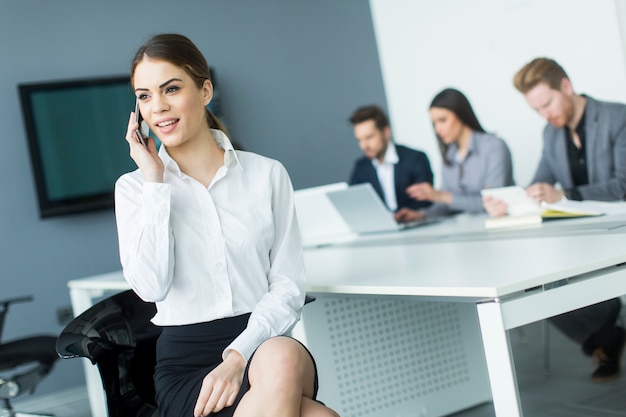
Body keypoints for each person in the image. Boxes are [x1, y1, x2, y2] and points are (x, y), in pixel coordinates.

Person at [114, 33, 340, 417]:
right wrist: (154, 182)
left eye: (171, 89)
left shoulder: (266, 174)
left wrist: (237, 357)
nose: (159, 107)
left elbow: (287, 286)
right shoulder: (135, 188)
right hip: (186, 364)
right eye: (145, 95)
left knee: (282, 353)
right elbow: (151, 286)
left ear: (205, 91)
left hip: (262, 345)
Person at [485, 57, 625, 382]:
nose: (545, 115)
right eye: (537, 110)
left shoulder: (617, 117)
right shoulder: (550, 134)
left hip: (618, 230)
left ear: (566, 86)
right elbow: (539, 185)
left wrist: (564, 195)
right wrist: (509, 201)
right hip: (580, 236)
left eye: (547, 104)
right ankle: (605, 328)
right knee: (531, 276)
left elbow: (623, 185)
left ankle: (604, 333)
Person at [405, 88, 514, 219]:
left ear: (460, 115)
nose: (437, 129)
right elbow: (447, 205)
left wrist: (441, 196)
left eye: (442, 120)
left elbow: (493, 202)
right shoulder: (449, 156)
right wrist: (421, 215)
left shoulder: (493, 146)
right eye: (434, 123)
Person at [348, 104, 434, 223]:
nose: (364, 146)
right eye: (359, 140)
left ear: (386, 132)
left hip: (416, 226)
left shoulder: (415, 159)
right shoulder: (361, 167)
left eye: (369, 137)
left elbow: (425, 200)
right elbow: (355, 205)